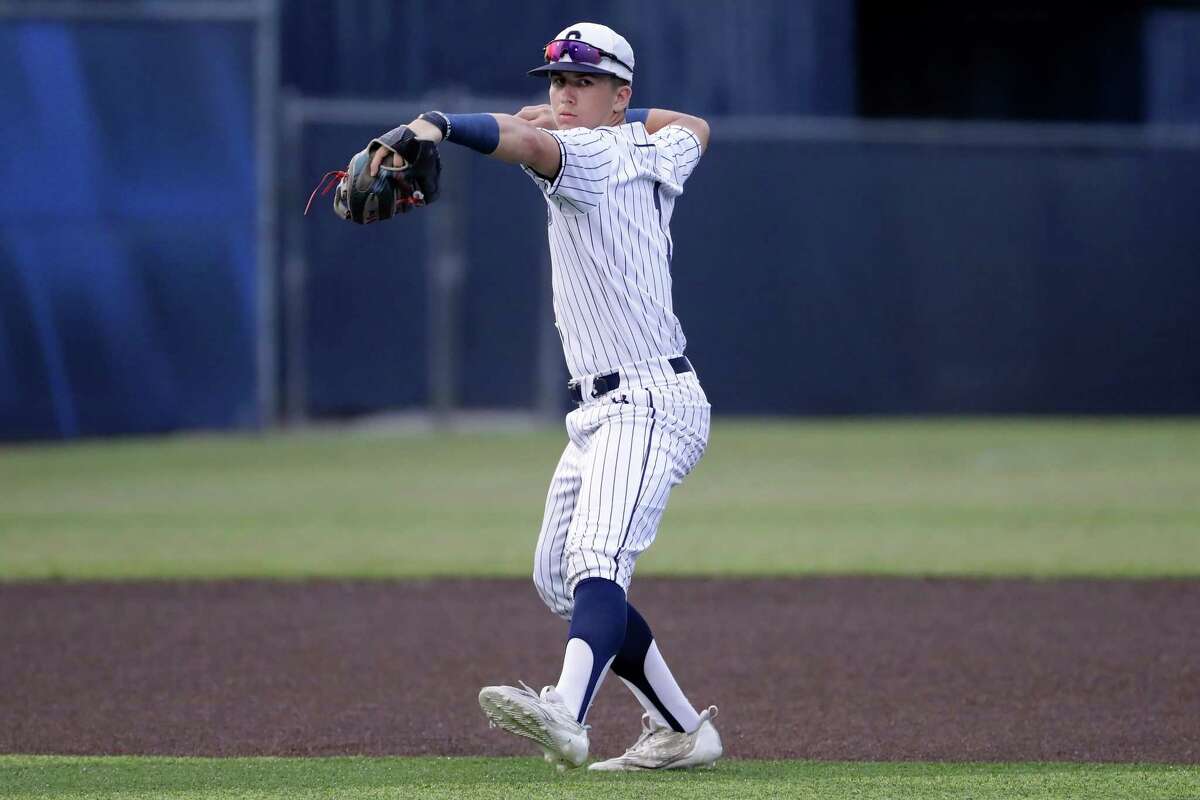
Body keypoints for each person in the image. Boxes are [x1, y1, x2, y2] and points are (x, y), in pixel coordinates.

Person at [369, 21, 721, 771]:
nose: (562, 93)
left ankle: (566, 711)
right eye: (557, 81)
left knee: (597, 556)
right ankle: (681, 728)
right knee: (560, 576)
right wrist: (613, 112)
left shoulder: (590, 154)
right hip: (604, 408)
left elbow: (526, 144)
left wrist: (437, 124)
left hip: (648, 402)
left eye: (583, 82)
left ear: (617, 94)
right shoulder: (651, 146)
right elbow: (695, 124)